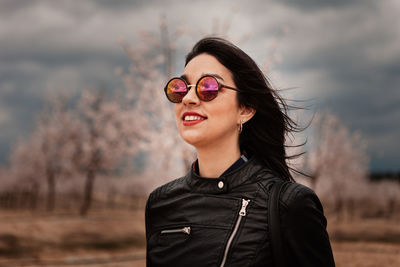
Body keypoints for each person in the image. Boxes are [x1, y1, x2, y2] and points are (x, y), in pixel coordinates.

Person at [145, 36, 335, 267]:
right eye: (180, 88)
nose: (188, 98)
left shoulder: (289, 205)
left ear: (245, 109)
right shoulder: (160, 203)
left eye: (208, 87)